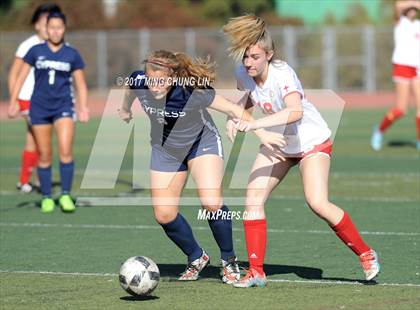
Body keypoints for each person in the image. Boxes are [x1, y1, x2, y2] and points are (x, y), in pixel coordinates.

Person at [222, 14, 381, 288]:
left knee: (317, 202)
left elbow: (294, 112)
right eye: (245, 57)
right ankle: (256, 271)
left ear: (269, 55)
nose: (249, 62)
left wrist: (256, 124)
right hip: (280, 144)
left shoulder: (282, 74)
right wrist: (236, 117)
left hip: (310, 141)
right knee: (252, 199)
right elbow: (249, 97)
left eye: (255, 57)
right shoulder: (243, 74)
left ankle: (365, 253)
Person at [118, 50, 285, 283]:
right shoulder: (139, 81)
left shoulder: (192, 91)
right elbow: (129, 88)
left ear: (174, 77)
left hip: (201, 143)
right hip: (165, 150)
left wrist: (262, 132)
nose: (154, 86)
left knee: (211, 202)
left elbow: (233, 109)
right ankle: (196, 256)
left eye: (161, 80)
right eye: (150, 79)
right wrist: (125, 108)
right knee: (164, 214)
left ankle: (228, 260)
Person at [8, 12, 89, 213]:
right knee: (44, 155)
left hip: (63, 107)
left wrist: (83, 106)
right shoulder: (35, 51)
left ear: (64, 28)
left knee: (65, 152)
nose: (55, 31)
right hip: (40, 108)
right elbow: (20, 77)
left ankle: (65, 195)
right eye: (51, 27)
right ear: (46, 28)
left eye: (59, 27)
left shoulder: (72, 54)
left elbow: (81, 84)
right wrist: (13, 102)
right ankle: (46, 197)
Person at [7, 3, 62, 193]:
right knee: (39, 137)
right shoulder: (28, 45)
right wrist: (14, 100)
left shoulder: (57, 46)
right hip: (27, 99)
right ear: (37, 24)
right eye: (44, 21)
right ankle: (35, 179)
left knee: (34, 138)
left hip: (48, 100)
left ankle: (28, 180)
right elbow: (14, 74)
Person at [371, 1, 420, 150]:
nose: (412, 10)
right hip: (402, 66)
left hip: (417, 67)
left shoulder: (417, 24)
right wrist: (414, 3)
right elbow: (398, 6)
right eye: (410, 8)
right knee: (401, 109)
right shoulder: (400, 22)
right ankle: (379, 131)